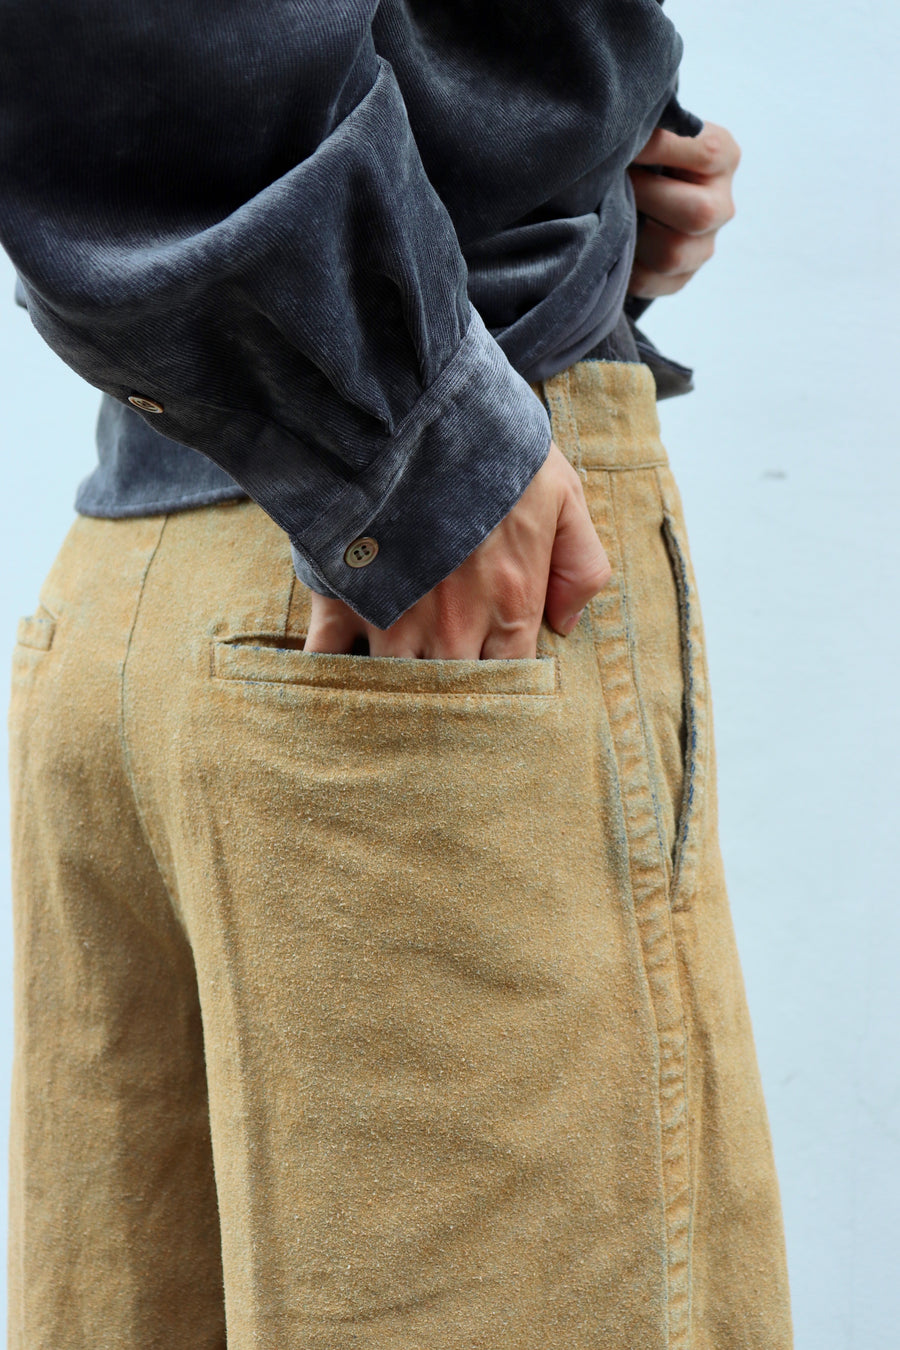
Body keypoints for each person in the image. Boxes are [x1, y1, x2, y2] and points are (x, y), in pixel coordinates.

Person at [0, 3, 792, 1347]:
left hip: (152, 578)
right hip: (413, 588)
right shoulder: (413, 465)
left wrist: (557, 152)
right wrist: (424, 433)